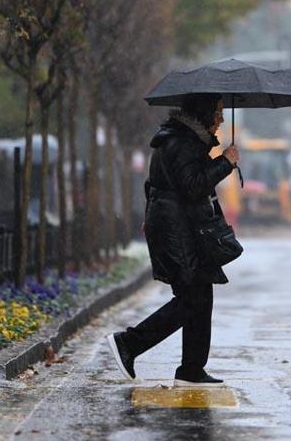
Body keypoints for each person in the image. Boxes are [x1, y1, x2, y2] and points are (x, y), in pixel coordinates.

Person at [107, 94, 239, 387]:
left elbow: (159, 183)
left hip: (180, 227)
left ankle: (192, 370)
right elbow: (192, 186)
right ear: (204, 112)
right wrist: (225, 163)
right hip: (177, 230)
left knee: (201, 295)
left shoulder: (184, 139)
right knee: (192, 299)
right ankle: (129, 343)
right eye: (217, 112)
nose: (221, 119)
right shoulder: (182, 142)